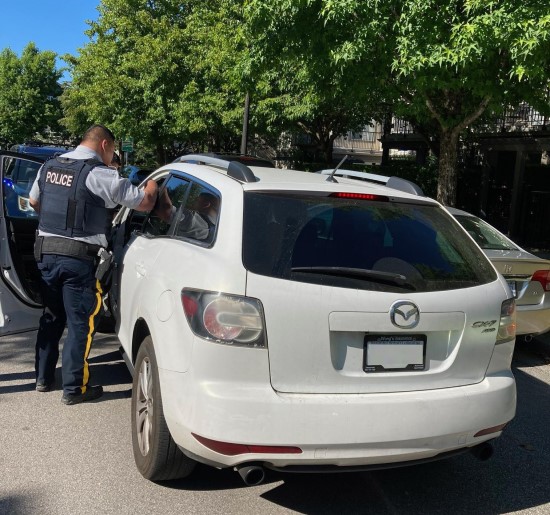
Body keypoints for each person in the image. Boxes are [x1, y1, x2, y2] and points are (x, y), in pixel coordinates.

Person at [28, 124, 158, 405]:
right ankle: (75, 389)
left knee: (51, 316)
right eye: (112, 151)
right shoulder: (101, 174)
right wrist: (154, 181)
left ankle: (43, 377)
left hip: (45, 255)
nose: (113, 158)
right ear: (104, 146)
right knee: (80, 324)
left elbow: (34, 202)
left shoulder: (48, 167)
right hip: (78, 259)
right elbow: (145, 203)